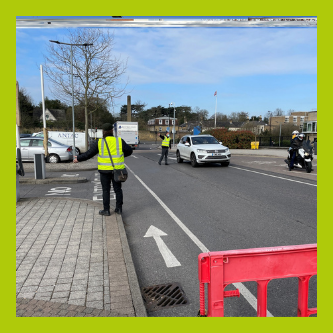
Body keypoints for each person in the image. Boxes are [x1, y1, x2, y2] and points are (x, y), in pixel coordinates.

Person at [73, 123, 132, 215]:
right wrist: (121, 155)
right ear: (112, 130)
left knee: (106, 190)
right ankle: (119, 209)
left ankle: (106, 210)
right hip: (117, 170)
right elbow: (130, 151)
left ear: (103, 132)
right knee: (118, 190)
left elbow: (89, 154)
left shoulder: (99, 142)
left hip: (104, 171)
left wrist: (78, 158)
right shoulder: (119, 141)